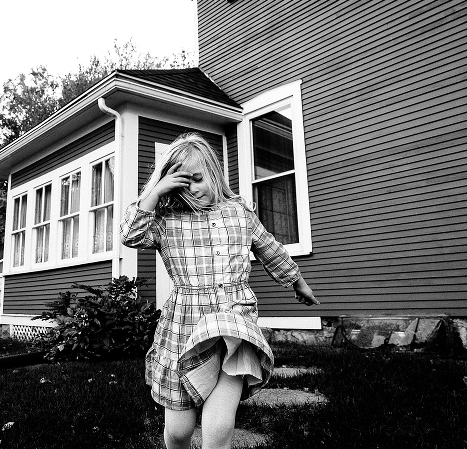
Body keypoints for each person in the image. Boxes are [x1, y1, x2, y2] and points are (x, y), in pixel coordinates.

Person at [120, 133, 319, 449]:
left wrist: (298, 282)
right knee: (179, 431)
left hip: (233, 319)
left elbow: (269, 247)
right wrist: (155, 192)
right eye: (182, 184)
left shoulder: (239, 212)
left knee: (219, 427)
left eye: (197, 179)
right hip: (184, 326)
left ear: (213, 171)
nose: (192, 189)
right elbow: (130, 235)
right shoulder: (165, 220)